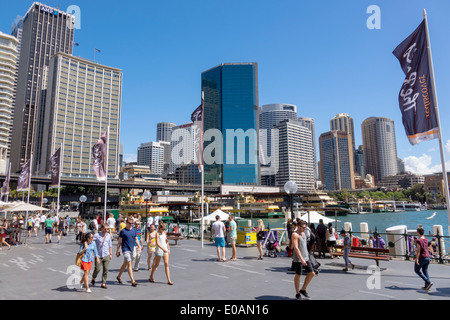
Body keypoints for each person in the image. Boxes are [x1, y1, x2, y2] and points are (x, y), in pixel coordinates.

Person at [292, 220, 315, 300]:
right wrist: (301, 259)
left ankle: (303, 289)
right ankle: (297, 293)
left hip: (306, 257)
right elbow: (296, 247)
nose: (305, 229)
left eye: (305, 227)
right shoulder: (295, 234)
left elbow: (304, 246)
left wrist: (307, 255)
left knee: (312, 273)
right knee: (298, 275)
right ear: (298, 226)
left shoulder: (304, 233)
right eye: (303, 227)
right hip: (298, 259)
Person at [116, 217, 141, 287]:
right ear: (126, 223)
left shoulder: (134, 230)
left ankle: (118, 276)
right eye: (130, 223)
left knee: (125, 264)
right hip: (125, 249)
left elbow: (136, 239)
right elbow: (119, 241)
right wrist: (117, 250)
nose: (131, 225)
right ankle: (133, 281)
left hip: (131, 249)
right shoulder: (123, 231)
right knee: (129, 264)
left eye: (132, 223)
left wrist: (139, 246)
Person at [92, 224, 113, 289]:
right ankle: (93, 277)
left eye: (107, 229)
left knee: (106, 269)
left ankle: (103, 283)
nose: (106, 230)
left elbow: (110, 245)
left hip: (106, 254)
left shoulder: (108, 236)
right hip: (98, 255)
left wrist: (111, 254)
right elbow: (91, 241)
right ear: (101, 229)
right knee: (97, 269)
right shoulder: (97, 235)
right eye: (105, 229)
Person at [414, 227, 433, 291]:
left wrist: (417, 259)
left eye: (417, 232)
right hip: (427, 256)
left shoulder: (418, 240)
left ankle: (428, 281)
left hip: (422, 257)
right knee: (425, 270)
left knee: (417, 270)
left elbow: (418, 251)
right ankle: (426, 286)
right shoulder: (426, 239)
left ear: (418, 232)